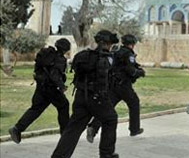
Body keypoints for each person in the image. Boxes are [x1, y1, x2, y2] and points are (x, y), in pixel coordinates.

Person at [51, 30, 119, 158]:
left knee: (73, 129)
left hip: (80, 96)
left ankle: (59, 156)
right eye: (109, 43)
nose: (110, 46)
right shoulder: (106, 58)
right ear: (105, 43)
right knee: (110, 119)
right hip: (97, 97)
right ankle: (106, 154)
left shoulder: (83, 56)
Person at [9, 39, 71, 144]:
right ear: (65, 49)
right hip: (51, 89)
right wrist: (61, 86)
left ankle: (17, 128)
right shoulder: (59, 59)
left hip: (41, 87)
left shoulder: (46, 55)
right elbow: (54, 75)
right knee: (64, 105)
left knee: (35, 109)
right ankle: (65, 135)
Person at [86, 34, 145, 143]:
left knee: (107, 108)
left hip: (113, 85)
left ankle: (93, 128)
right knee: (134, 103)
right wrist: (140, 73)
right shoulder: (128, 54)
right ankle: (134, 129)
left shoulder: (117, 52)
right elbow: (130, 70)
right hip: (124, 86)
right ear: (132, 44)